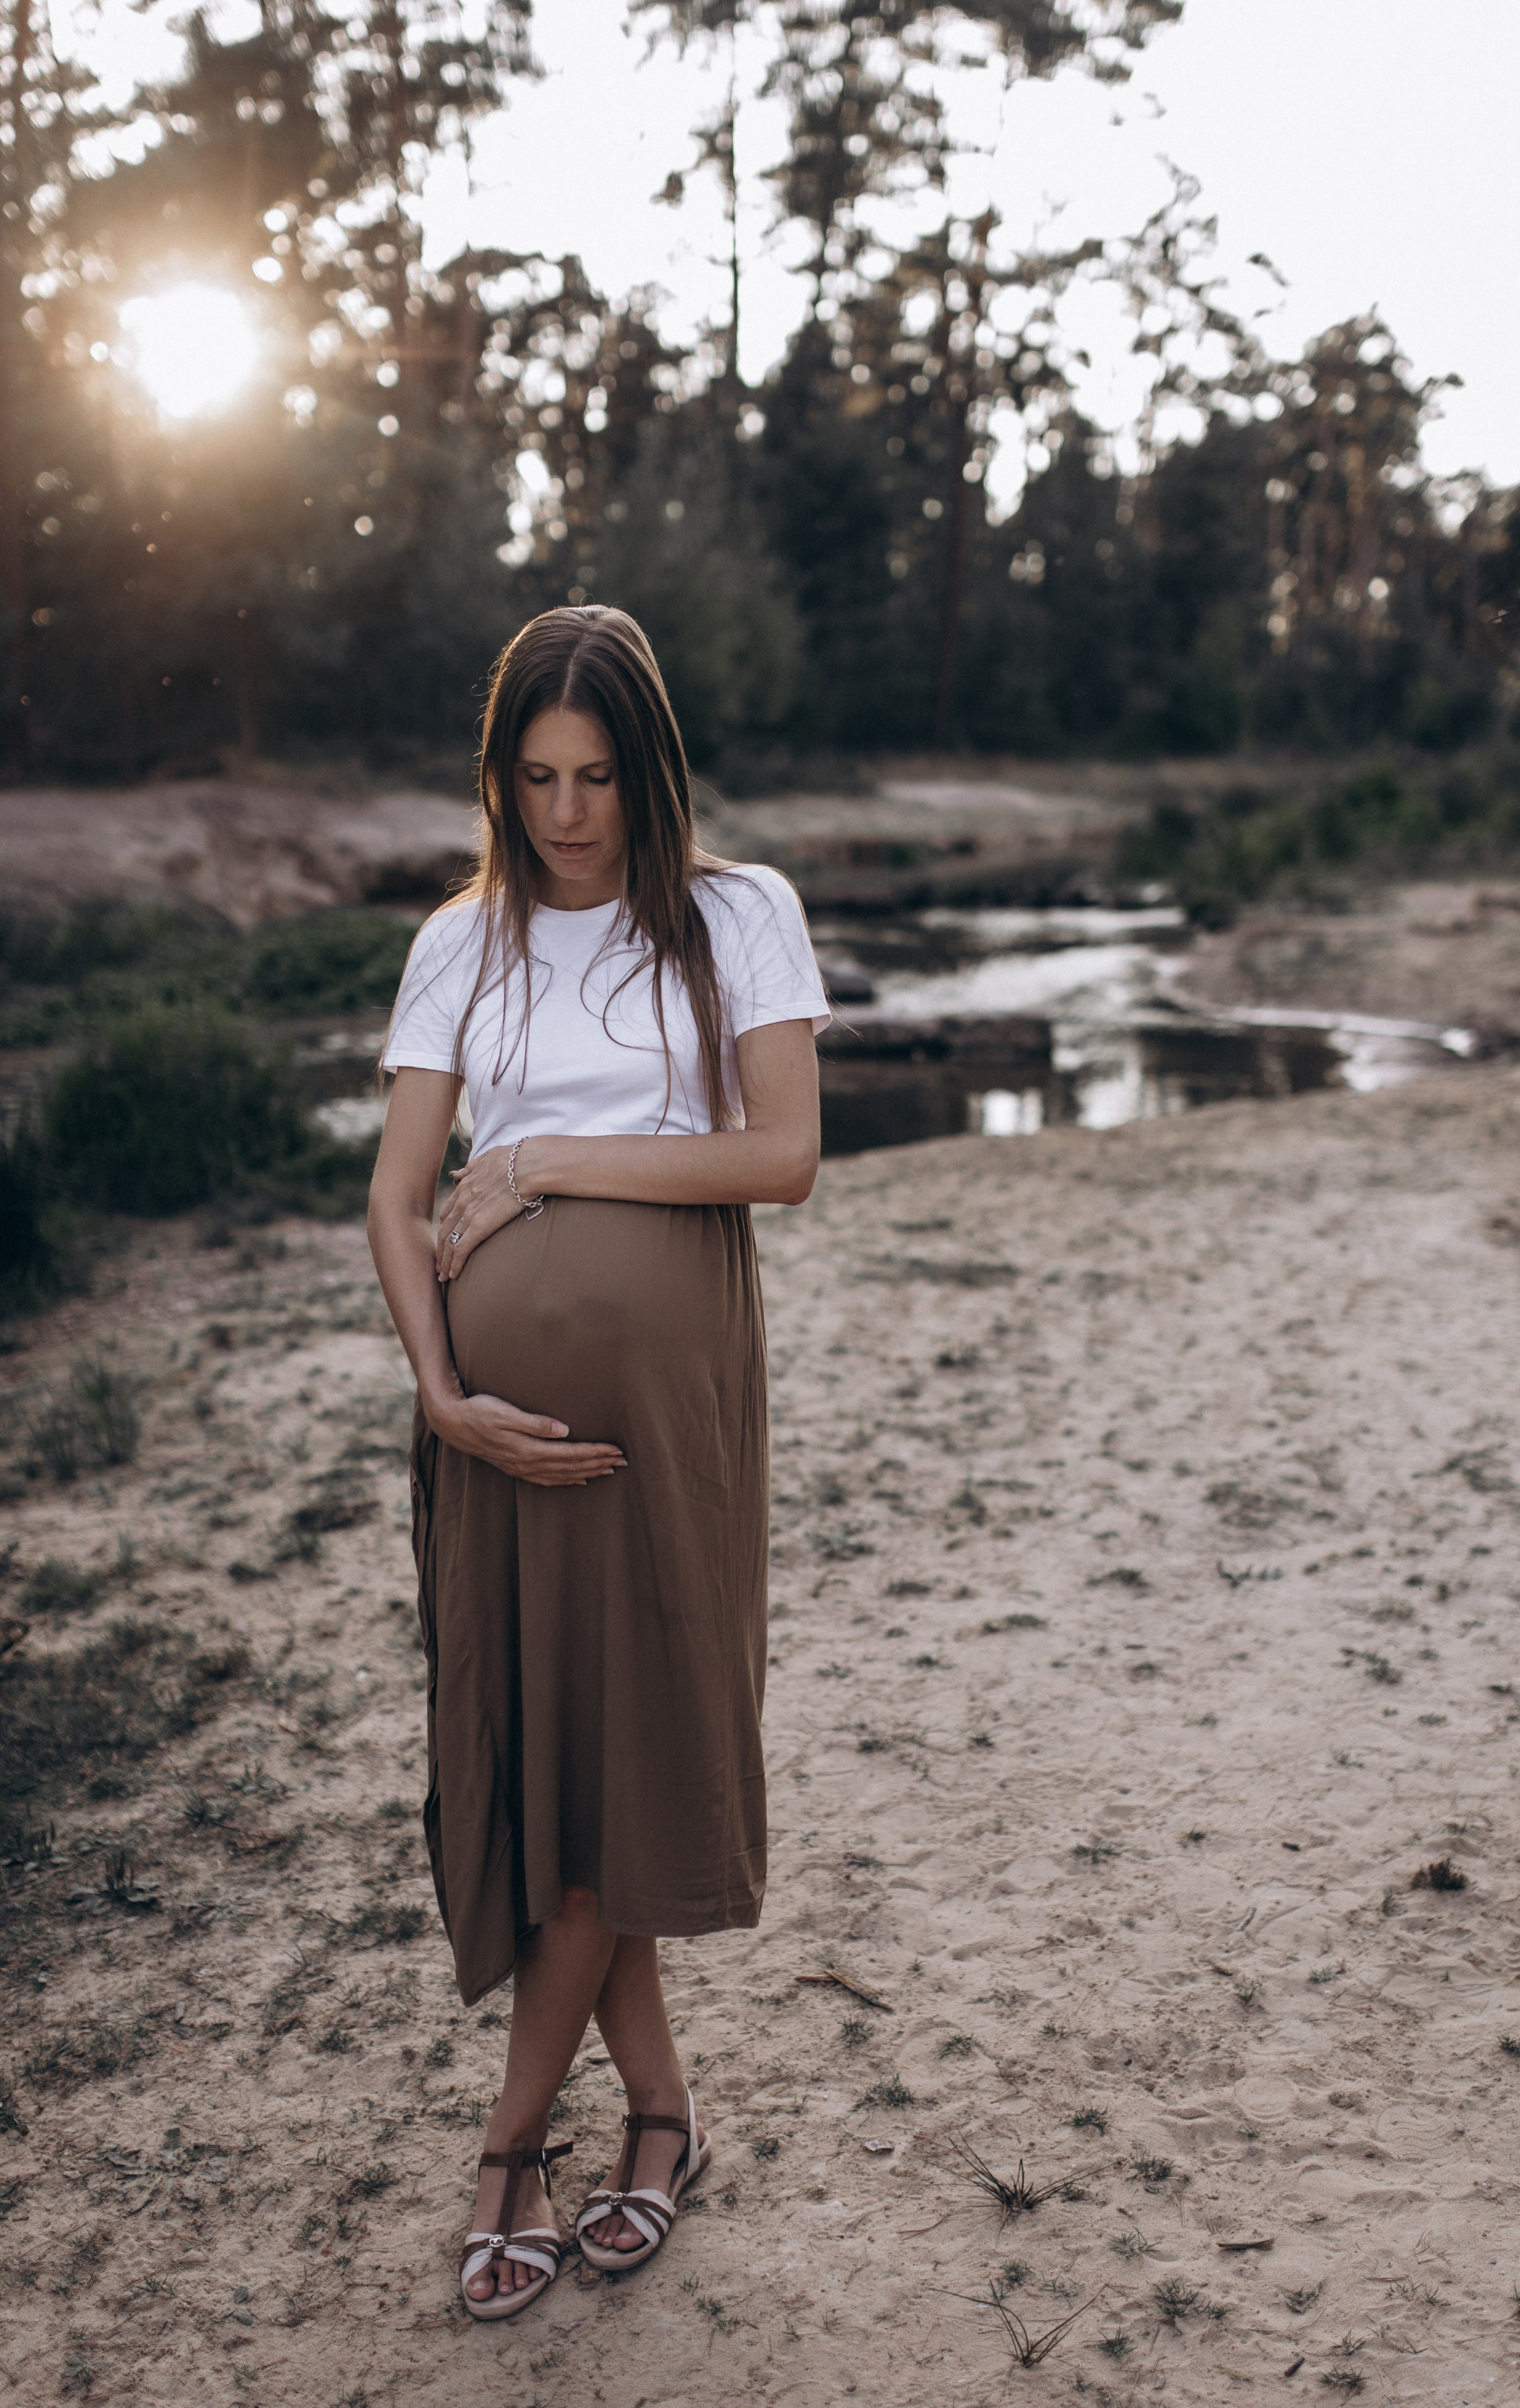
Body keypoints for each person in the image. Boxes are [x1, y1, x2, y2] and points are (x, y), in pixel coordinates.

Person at [366, 605, 828, 2321]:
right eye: (537, 778)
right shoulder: (458, 943)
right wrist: (442, 1392)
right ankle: (656, 2113)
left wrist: (552, 1153)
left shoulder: (737, 917)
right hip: (494, 1430)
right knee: (566, 1776)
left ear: (651, 768)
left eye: (600, 775)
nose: (569, 813)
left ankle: (509, 2141)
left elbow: (780, 1158)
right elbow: (400, 1200)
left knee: (620, 1758)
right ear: (500, 778)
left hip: (668, 1419)